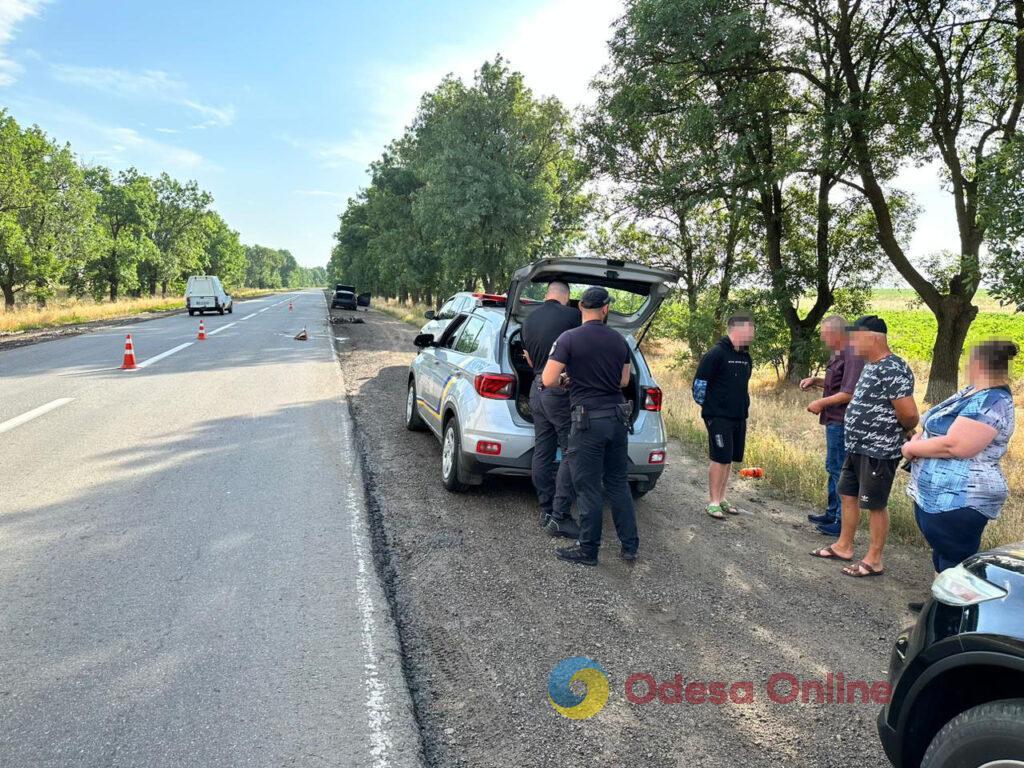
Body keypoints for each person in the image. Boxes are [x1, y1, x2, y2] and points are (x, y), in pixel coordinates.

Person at [811, 315, 918, 577]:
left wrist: (898, 431)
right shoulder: (870, 366)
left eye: (855, 338)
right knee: (848, 494)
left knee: (874, 504)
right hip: (857, 445)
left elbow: (910, 414)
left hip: (879, 449)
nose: (852, 344)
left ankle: (874, 559)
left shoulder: (893, 367)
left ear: (872, 338)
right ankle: (844, 546)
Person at [902, 340, 1017, 575]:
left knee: (956, 561)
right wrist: (918, 438)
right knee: (943, 554)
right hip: (938, 494)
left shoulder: (992, 401)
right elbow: (930, 421)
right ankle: (938, 603)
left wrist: (911, 450)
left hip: (961, 497)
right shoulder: (971, 392)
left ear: (980, 364)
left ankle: (955, 609)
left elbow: (956, 446)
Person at [541, 286, 638, 566]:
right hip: (618, 419)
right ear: (606, 309)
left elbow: (548, 380)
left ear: (580, 308)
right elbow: (622, 381)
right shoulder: (620, 341)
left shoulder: (568, 338)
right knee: (618, 484)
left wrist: (569, 380)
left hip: (588, 422)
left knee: (588, 487)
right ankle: (629, 546)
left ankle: (588, 549)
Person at [521, 280, 581, 537]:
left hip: (537, 387)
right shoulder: (573, 316)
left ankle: (546, 508)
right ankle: (560, 515)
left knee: (543, 450)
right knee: (571, 450)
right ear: (566, 297)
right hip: (561, 388)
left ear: (547, 294)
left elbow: (532, 360)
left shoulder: (528, 320)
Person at [800, 316, 865, 536]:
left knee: (839, 470)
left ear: (837, 333)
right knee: (832, 466)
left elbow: (849, 393)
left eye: (824, 333)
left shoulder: (853, 354)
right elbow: (836, 384)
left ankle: (840, 521)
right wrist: (816, 381)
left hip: (842, 421)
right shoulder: (838, 353)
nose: (821, 337)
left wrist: (820, 403)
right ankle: (831, 511)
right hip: (832, 420)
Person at [692, 313, 755, 519]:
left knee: (728, 458)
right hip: (717, 416)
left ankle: (722, 497)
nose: (753, 334)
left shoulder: (745, 357)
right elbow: (699, 386)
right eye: (750, 329)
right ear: (737, 330)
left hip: (738, 416)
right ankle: (713, 502)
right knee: (719, 458)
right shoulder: (716, 354)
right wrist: (711, 409)